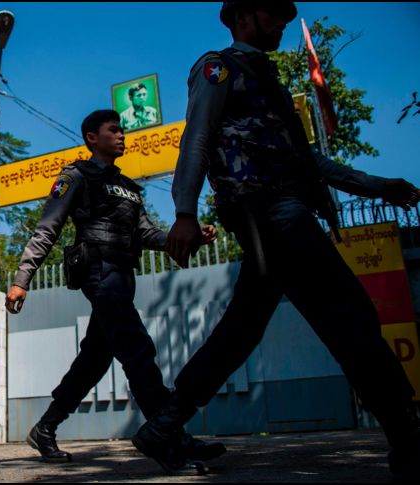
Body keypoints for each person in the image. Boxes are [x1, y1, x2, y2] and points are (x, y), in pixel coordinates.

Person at [133, 1, 420, 481]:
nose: (281, 22)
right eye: (271, 12)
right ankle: (408, 440)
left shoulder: (266, 79)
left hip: (283, 211)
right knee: (351, 314)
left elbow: (307, 162)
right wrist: (184, 211)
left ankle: (165, 424)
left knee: (241, 330)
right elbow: (197, 138)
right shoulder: (217, 67)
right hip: (269, 212)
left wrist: (376, 185)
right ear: (242, 15)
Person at [5, 109, 224, 470]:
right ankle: (171, 438)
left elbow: (148, 235)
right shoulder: (76, 175)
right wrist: (21, 280)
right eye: (114, 130)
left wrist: (189, 237)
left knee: (95, 359)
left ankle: (45, 427)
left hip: (122, 278)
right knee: (138, 350)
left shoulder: (130, 189)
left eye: (122, 130)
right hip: (98, 273)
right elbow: (48, 227)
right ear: (92, 137)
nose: (122, 135)